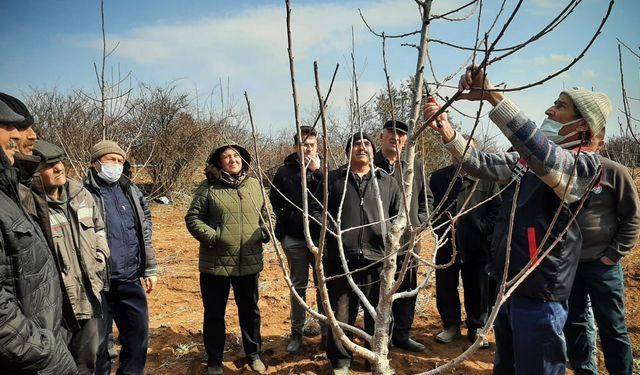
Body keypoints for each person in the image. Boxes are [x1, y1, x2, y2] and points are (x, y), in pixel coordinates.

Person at [424, 65, 611, 374]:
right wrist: (443, 126)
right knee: (506, 368)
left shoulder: (583, 167)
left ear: (582, 126)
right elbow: (479, 162)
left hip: (539, 293)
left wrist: (494, 97)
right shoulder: (530, 161)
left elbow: (545, 157)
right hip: (507, 285)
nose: (550, 109)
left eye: (561, 106)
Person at [310, 133, 400, 375]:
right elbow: (317, 210)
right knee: (342, 312)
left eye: (367, 144)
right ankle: (341, 361)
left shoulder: (386, 181)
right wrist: (333, 232)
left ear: (373, 150)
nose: (362, 148)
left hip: (376, 258)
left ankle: (376, 358)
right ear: (348, 151)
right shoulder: (333, 179)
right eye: (356, 145)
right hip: (340, 258)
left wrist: (389, 237)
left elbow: (397, 215)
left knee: (377, 313)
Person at [0, 96, 77, 374]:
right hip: (32, 356)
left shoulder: (10, 192)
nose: (28, 135)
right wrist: (47, 353)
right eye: (12, 126)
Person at [185, 142, 272, 375]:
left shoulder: (255, 186)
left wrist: (264, 233)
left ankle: (253, 354)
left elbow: (268, 215)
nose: (233, 160)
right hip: (216, 263)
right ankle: (214, 360)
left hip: (249, 261)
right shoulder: (208, 188)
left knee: (250, 311)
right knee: (214, 313)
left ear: (243, 160)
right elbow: (193, 218)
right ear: (219, 163)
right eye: (227, 157)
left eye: (236, 156)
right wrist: (214, 237)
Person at [28, 140, 110, 374]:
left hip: (87, 296)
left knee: (87, 363)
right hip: (55, 307)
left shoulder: (80, 194)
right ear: (33, 172)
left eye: (60, 162)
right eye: (49, 165)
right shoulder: (30, 205)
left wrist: (101, 253)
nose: (59, 168)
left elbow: (99, 227)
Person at [564, 139, 639, 374]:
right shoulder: (561, 170)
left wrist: (612, 255)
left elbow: (632, 217)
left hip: (602, 265)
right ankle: (585, 370)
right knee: (574, 323)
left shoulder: (614, 171)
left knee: (612, 325)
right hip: (568, 265)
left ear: (600, 143)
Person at [84, 140, 158, 375]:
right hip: (98, 285)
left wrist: (149, 268)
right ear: (96, 163)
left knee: (137, 340)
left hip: (129, 279)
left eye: (119, 161)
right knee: (97, 348)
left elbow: (144, 228)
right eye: (110, 160)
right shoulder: (82, 193)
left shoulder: (130, 190)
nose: (116, 165)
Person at [428, 138, 501, 347]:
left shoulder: (485, 178)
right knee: (446, 286)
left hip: (476, 244)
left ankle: (477, 326)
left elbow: (496, 208)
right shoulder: (439, 177)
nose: (460, 154)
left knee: (477, 286)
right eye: (457, 150)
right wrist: (439, 228)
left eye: (466, 150)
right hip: (446, 243)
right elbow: (430, 207)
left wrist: (481, 228)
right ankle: (451, 325)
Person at [373, 119, 431, 352]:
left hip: (409, 241)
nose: (395, 137)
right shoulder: (370, 164)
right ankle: (381, 335)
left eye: (401, 135)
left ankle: (402, 335)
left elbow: (427, 198)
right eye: (391, 133)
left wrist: (421, 222)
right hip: (377, 243)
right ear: (381, 136)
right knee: (380, 289)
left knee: (406, 289)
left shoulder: (413, 165)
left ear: (406, 140)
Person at [270, 126, 327, 353]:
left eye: (311, 144)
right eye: (303, 145)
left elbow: (332, 197)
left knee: (323, 286)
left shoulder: (326, 169)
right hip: (294, 238)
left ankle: (326, 331)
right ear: (295, 147)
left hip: (321, 239)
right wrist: (285, 229)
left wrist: (317, 172)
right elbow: (276, 202)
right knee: (298, 286)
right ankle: (297, 333)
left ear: (317, 146)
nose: (308, 148)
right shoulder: (284, 172)